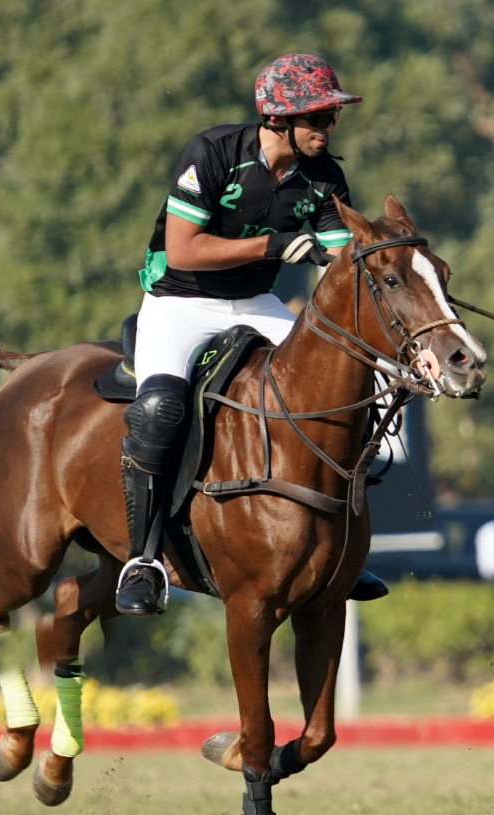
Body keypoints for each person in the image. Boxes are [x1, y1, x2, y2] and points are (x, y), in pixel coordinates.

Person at [115, 52, 391, 616]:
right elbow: (184, 248)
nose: (327, 128)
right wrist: (273, 247)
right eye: (316, 118)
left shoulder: (325, 176)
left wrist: (397, 265)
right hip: (179, 300)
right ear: (277, 120)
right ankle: (142, 560)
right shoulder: (213, 153)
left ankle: (341, 550)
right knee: (160, 409)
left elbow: (345, 255)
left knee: (357, 385)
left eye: (331, 118)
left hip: (254, 301)